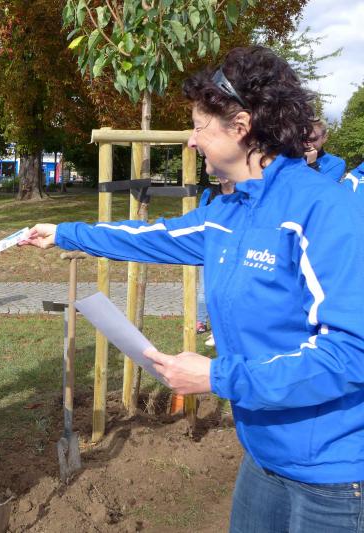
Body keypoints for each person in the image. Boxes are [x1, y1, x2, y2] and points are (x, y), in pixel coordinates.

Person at [22, 46, 364, 532]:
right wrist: (64, 233)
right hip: (263, 456)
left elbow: (351, 354)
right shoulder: (229, 211)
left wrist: (219, 377)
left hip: (332, 473)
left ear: (241, 126)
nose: (191, 140)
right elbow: (154, 236)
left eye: (200, 126)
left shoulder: (324, 209)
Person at [195, 175, 235, 347]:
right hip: (210, 249)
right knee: (205, 290)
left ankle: (220, 330)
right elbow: (199, 218)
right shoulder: (209, 193)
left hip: (232, 250)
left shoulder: (243, 194)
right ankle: (201, 321)